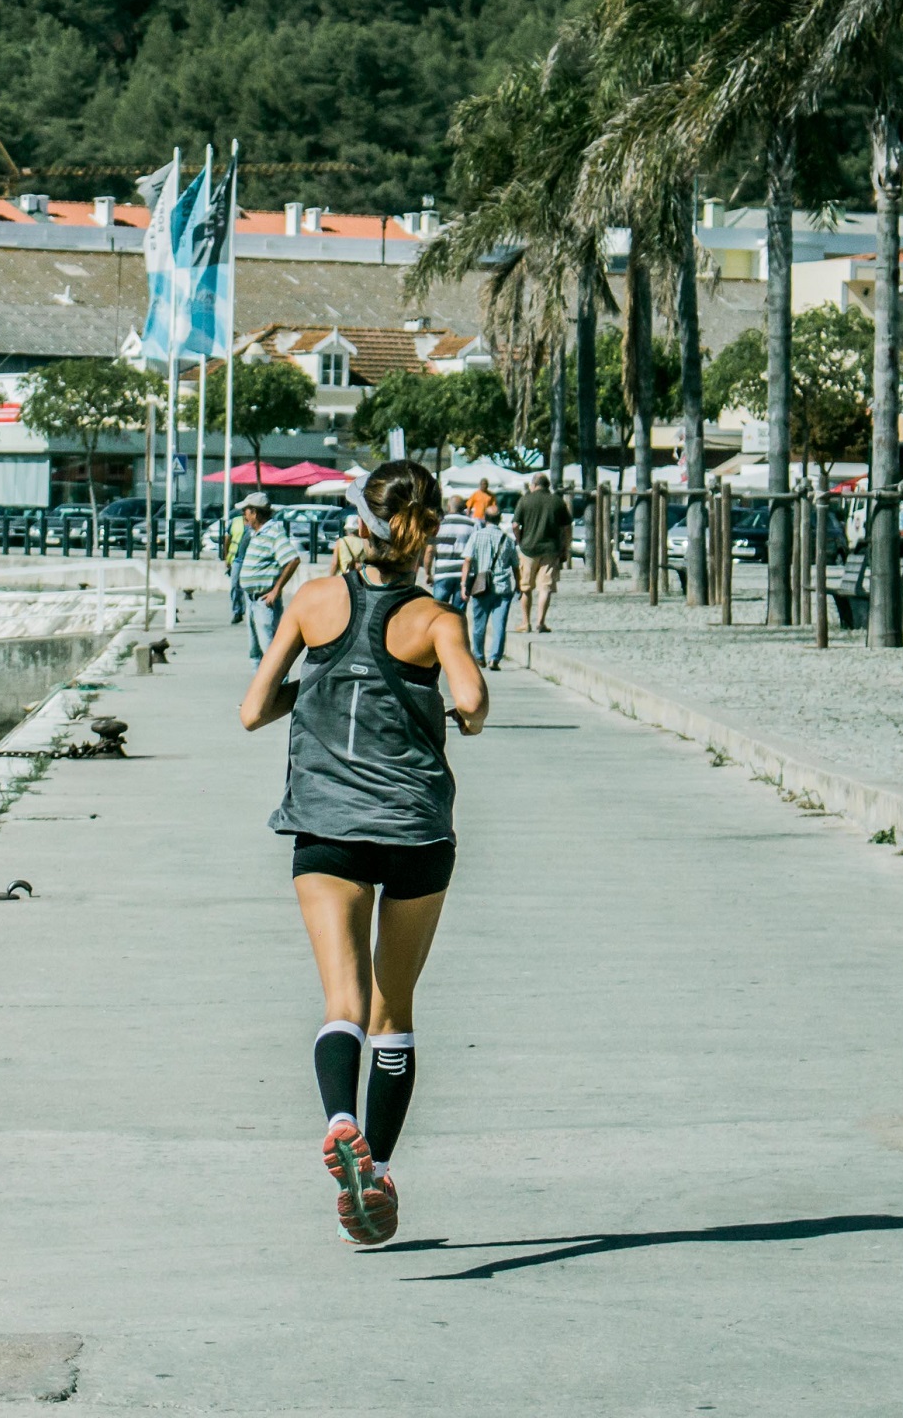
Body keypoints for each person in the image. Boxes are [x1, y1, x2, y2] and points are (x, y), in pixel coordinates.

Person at [241, 460, 488, 1247]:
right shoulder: (435, 619)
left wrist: (310, 693)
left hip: (327, 827)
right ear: (428, 536)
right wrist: (460, 717)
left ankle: (339, 1118)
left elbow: (253, 710)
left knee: (342, 1000)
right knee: (395, 1008)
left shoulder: (313, 601)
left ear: (362, 524)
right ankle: (374, 1166)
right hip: (415, 829)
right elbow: (474, 700)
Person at [232, 496, 301, 662]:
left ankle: (278, 687)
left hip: (264, 601)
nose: (243, 515)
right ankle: (260, 688)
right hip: (251, 600)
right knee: (255, 654)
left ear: (254, 513)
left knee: (271, 655)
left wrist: (275, 591)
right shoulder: (256, 534)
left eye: (246, 511)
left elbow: (292, 559)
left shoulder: (273, 533)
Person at [512, 473, 573, 635]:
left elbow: (515, 525)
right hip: (551, 550)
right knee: (545, 587)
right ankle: (540, 622)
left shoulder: (525, 500)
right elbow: (567, 527)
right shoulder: (557, 502)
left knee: (526, 587)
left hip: (528, 549)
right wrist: (565, 547)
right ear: (547, 486)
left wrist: (519, 540)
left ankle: (525, 623)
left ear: (534, 485)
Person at [462, 506, 520, 669]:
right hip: (503, 588)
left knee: (479, 623)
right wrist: (518, 585)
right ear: (500, 519)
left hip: (481, 587)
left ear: (485, 519)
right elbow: (515, 565)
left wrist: (464, 585)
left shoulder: (476, 536)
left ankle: (479, 655)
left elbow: (467, 561)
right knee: (499, 624)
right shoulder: (507, 539)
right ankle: (495, 658)